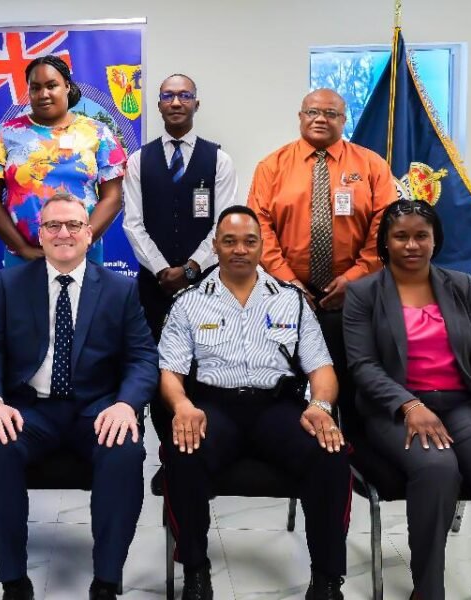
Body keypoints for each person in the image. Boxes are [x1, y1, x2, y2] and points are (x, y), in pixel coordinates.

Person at [0, 193, 158, 600]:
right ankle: (14, 580)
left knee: (125, 451)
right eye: (53, 225)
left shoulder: (119, 289)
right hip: (29, 410)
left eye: (74, 225)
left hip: (97, 411)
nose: (63, 233)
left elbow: (143, 357)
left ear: (89, 234)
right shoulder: (11, 283)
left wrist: (126, 405)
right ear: (39, 235)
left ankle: (107, 579)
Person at [159, 205, 349, 600]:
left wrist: (321, 408)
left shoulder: (290, 301)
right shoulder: (189, 302)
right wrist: (182, 406)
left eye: (249, 241)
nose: (239, 250)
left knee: (331, 453)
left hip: (276, 408)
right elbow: (171, 374)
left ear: (262, 246)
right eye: (229, 241)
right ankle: (195, 571)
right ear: (216, 246)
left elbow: (322, 370)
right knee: (182, 452)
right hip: (213, 408)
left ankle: (328, 580)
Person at [343, 200, 471, 600]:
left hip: (461, 405)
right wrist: (410, 405)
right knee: (436, 470)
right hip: (394, 410)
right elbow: (363, 367)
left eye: (421, 236)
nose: (412, 244)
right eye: (401, 236)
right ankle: (427, 589)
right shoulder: (363, 293)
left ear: (435, 240)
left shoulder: (462, 286)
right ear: (385, 242)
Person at [248, 88, 397, 413]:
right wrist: (289, 282)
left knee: (353, 382)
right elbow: (258, 227)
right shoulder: (271, 166)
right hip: (285, 296)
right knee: (285, 384)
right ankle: (297, 449)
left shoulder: (371, 165)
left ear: (344, 120)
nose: (320, 119)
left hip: (355, 296)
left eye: (331, 114)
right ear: (300, 117)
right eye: (312, 112)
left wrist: (355, 278)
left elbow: (385, 226)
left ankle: (351, 452)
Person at [122, 73, 239, 474]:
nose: (176, 102)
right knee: (159, 368)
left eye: (184, 95)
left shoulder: (218, 160)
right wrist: (161, 270)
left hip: (205, 285)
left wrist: (190, 268)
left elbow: (222, 224)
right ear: (158, 105)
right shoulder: (138, 160)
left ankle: (200, 451)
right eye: (168, 96)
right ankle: (168, 459)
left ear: (196, 104)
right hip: (152, 288)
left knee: (201, 366)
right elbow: (132, 223)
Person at [0, 55, 127, 267]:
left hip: (83, 257)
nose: (43, 94)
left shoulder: (97, 132)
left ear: (66, 86)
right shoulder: (6, 133)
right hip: (24, 258)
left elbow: (113, 197)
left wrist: (81, 243)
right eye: (35, 88)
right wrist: (22, 248)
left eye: (51, 86)